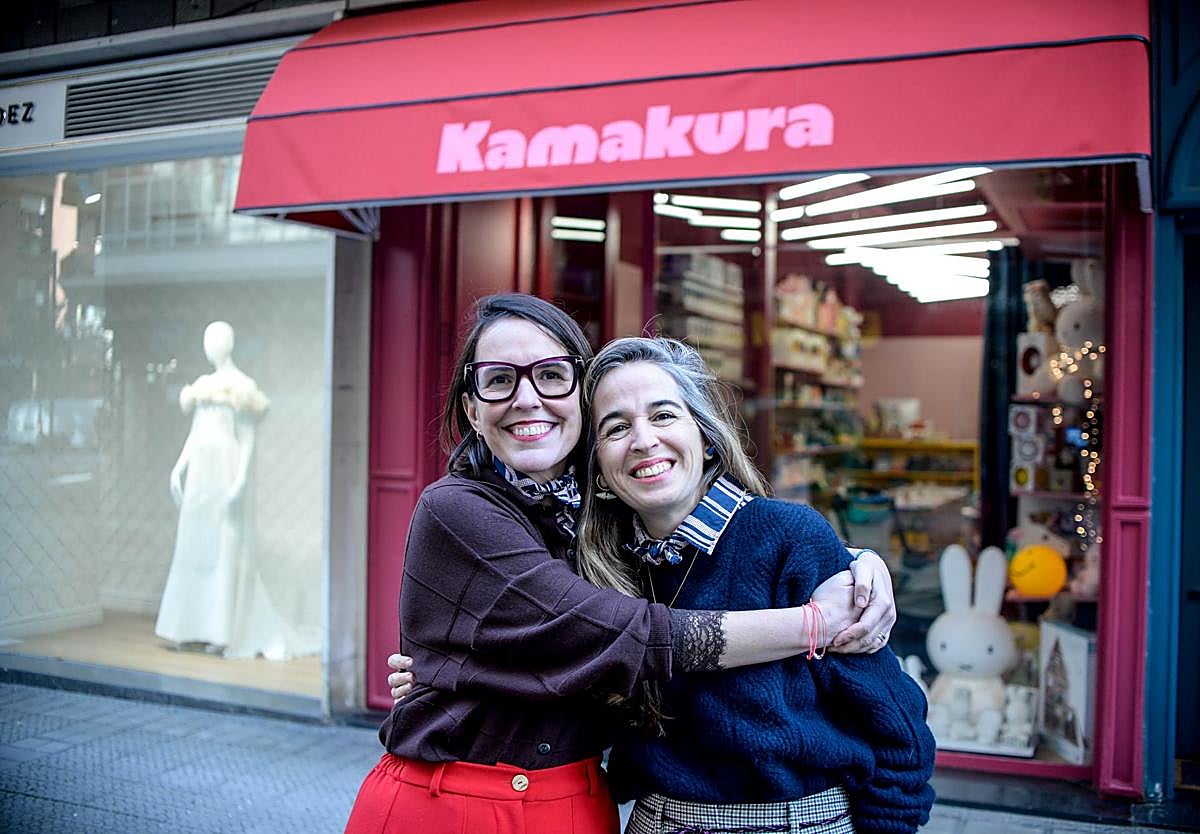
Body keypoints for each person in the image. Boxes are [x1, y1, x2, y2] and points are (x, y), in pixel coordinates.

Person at [349, 294, 897, 834]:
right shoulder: (457, 509)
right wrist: (816, 623)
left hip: (579, 801)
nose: (527, 399)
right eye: (499, 380)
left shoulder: (605, 532)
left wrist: (853, 564)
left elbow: (889, 720)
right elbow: (620, 635)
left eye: (551, 375)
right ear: (472, 409)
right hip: (455, 802)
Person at [577, 336, 936, 834]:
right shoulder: (604, 568)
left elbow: (896, 722)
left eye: (663, 416)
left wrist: (888, 828)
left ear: (706, 437)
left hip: (795, 823)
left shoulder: (788, 537)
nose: (643, 440)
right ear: (597, 468)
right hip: (658, 820)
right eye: (616, 427)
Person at [156, 320, 315, 661]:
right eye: (207, 340)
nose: (210, 346)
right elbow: (196, 433)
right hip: (200, 474)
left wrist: (240, 480)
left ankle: (221, 630)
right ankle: (188, 627)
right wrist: (179, 467)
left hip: (224, 472)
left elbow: (247, 439)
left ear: (228, 344)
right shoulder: (202, 387)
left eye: (216, 340)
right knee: (194, 545)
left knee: (225, 545)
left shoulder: (242, 388)